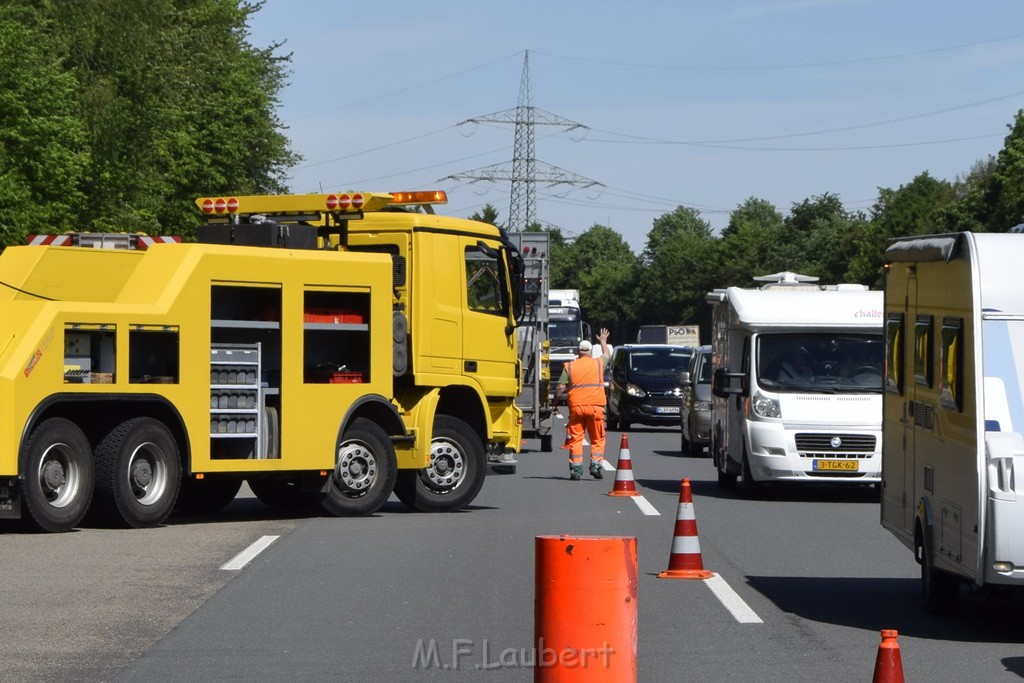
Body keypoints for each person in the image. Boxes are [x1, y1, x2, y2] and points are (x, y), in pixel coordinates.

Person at [553, 327, 612, 480]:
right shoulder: (598, 364)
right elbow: (607, 354)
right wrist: (603, 341)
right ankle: (596, 466)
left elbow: (560, 388)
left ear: (578, 352)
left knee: (576, 439)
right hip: (596, 407)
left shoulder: (570, 366)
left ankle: (576, 471)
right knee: (597, 438)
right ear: (591, 352)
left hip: (576, 408)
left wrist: (555, 404)